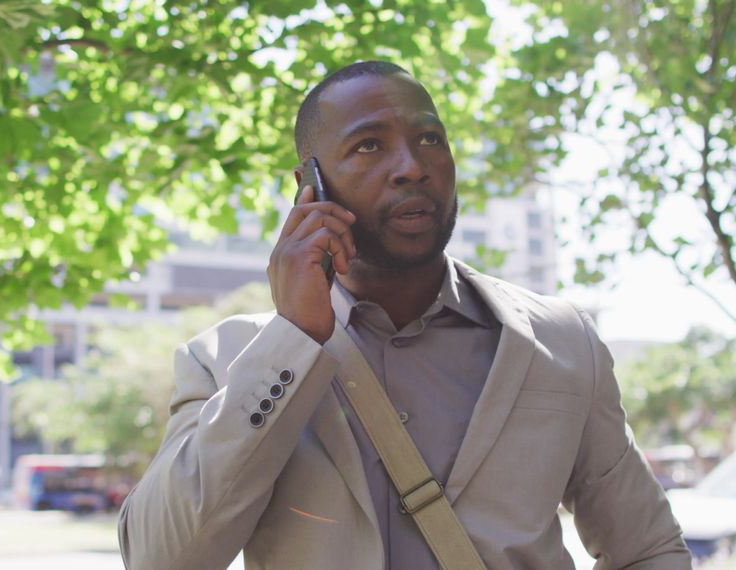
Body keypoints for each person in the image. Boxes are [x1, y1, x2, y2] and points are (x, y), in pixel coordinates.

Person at [118, 61, 690, 570]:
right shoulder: (223, 361)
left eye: (430, 139)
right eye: (369, 145)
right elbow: (160, 558)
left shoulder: (564, 341)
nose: (412, 166)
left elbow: (648, 548)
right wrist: (293, 339)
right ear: (309, 186)